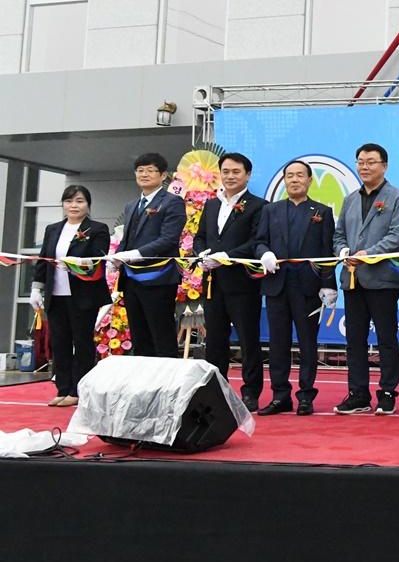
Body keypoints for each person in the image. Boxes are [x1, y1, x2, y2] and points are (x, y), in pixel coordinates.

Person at [332, 143, 399, 415]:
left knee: (386, 338)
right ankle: (358, 394)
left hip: (382, 279)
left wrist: (369, 254)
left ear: (384, 166)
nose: (364, 167)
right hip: (352, 278)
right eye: (360, 162)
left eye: (371, 162)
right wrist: (343, 252)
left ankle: (387, 392)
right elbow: (339, 234)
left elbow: (396, 236)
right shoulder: (350, 199)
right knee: (354, 339)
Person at [254, 160, 336, 416]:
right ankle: (280, 396)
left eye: (300, 175)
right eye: (290, 175)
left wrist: (328, 285)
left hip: (308, 288)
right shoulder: (271, 210)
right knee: (277, 343)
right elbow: (259, 241)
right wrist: (265, 253)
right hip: (277, 285)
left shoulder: (322, 211)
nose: (294, 180)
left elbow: (327, 251)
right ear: (284, 180)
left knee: (307, 343)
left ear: (309, 180)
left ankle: (306, 396)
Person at [193, 153, 267, 410]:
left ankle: (251, 392)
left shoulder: (258, 205)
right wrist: (200, 254)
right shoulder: (212, 205)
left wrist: (227, 256)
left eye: (236, 172)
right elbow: (200, 236)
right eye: (226, 171)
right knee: (215, 340)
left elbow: (256, 241)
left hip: (243, 283)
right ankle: (216, 391)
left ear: (248, 174)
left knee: (248, 339)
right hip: (213, 283)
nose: (230, 176)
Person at [31, 185, 111, 406]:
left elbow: (98, 259)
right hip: (56, 294)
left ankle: (78, 390)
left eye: (79, 201)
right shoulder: (53, 229)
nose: (73, 206)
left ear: (88, 205)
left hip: (83, 295)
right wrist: (36, 288)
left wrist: (77, 265)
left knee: (82, 342)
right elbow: (43, 260)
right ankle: (62, 388)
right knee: (59, 342)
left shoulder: (97, 229)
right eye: (68, 201)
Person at [109, 153, 186, 357]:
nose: (144, 174)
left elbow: (168, 239)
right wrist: (115, 259)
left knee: (162, 335)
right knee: (139, 337)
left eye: (150, 170)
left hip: (158, 279)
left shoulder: (172, 202)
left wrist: (135, 254)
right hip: (130, 280)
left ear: (163, 175)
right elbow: (127, 240)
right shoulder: (131, 205)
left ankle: (167, 376)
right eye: (140, 170)